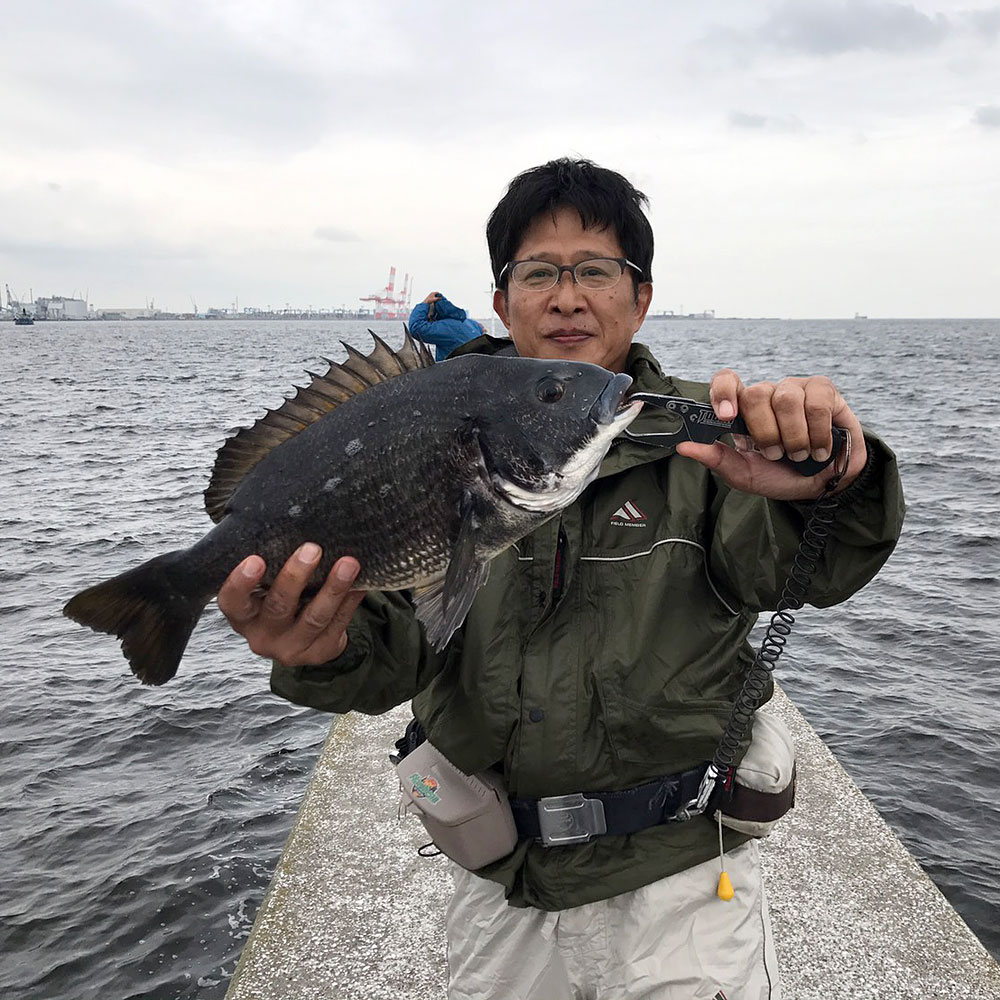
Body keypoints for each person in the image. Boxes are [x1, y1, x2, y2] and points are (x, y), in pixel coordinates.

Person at [218, 159, 904, 998]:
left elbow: (807, 567)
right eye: (539, 273)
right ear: (503, 303)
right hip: (498, 884)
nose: (567, 296)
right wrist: (315, 650)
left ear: (641, 296)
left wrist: (834, 478)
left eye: (596, 271)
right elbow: (392, 655)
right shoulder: (440, 429)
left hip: (682, 884)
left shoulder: (714, 440)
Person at [407, 291, 486, 361]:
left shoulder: (445, 328)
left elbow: (416, 328)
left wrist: (425, 303)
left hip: (455, 373)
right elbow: (482, 332)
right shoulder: (472, 324)